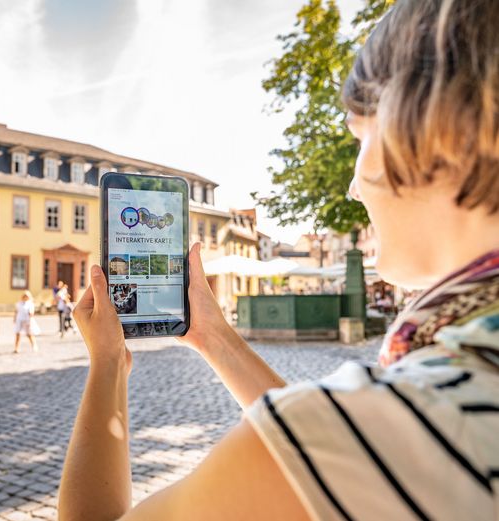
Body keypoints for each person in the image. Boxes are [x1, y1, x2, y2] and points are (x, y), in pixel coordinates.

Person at [59, 1, 499, 520]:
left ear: (432, 130)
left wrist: (108, 364)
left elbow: (331, 445)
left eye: (361, 138)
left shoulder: (404, 424)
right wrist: (213, 337)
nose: (355, 187)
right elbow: (330, 460)